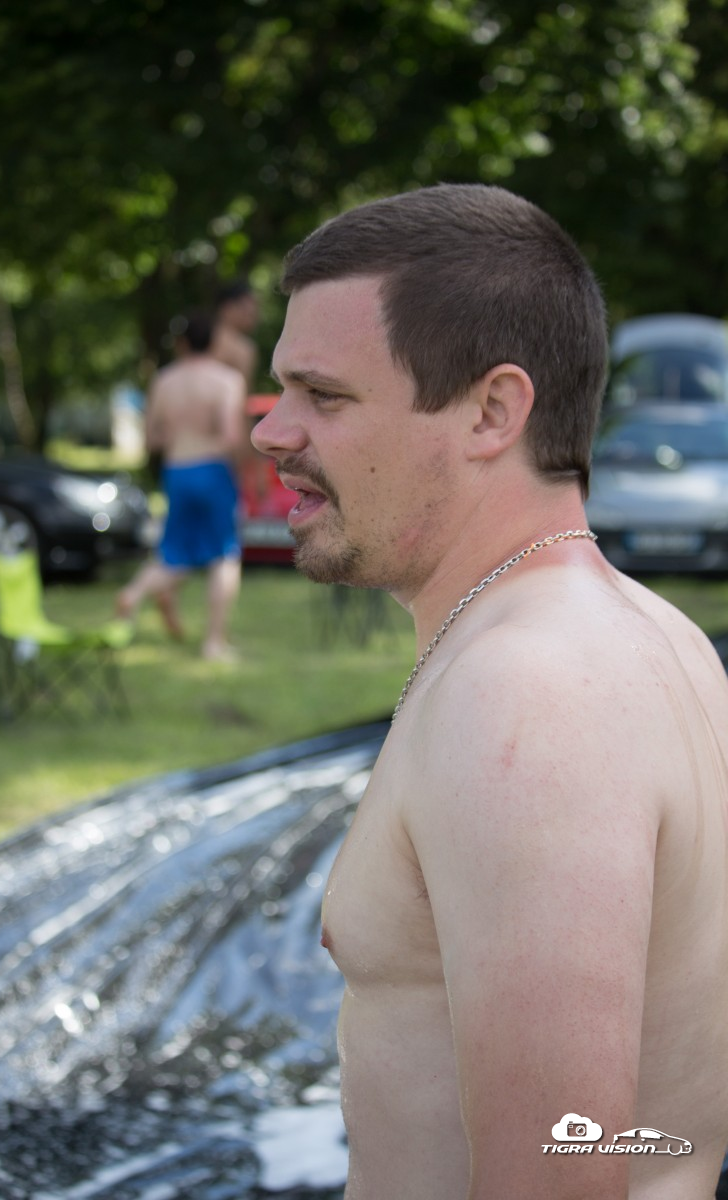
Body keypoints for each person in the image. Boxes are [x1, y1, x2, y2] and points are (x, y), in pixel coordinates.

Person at [250, 184, 728, 1199]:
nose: (272, 431)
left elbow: (559, 1174)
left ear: (491, 411)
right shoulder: (650, 634)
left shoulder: (528, 694)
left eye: (323, 396)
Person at [117, 310, 245, 657]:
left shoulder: (164, 380)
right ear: (213, 341)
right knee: (224, 556)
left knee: (174, 551)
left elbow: (151, 439)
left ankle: (133, 593)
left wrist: (178, 436)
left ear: (182, 342)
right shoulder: (227, 380)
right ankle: (214, 641)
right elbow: (231, 437)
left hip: (177, 470)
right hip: (212, 469)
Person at [210, 278, 260, 387]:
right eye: (246, 310)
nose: (253, 314)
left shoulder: (200, 338)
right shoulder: (243, 348)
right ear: (227, 307)